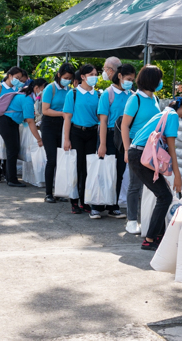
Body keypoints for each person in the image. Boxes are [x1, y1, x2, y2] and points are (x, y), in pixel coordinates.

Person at [132, 93, 182, 249]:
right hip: (140, 156)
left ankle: (156, 235)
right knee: (164, 196)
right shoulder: (172, 117)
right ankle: (149, 240)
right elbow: (172, 149)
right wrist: (178, 176)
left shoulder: (165, 112)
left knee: (163, 195)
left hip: (138, 154)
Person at [121, 65, 163, 233]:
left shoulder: (155, 99)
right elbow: (125, 125)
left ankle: (148, 218)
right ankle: (131, 220)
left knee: (153, 185)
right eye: (158, 78)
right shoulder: (135, 99)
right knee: (135, 184)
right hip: (136, 147)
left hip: (153, 148)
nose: (161, 82)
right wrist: (126, 150)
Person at [97, 63, 136, 216]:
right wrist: (102, 144)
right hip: (109, 135)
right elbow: (103, 121)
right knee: (105, 171)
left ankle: (113, 206)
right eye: (128, 78)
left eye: (132, 79)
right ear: (119, 76)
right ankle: (97, 205)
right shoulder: (108, 94)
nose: (130, 82)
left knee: (119, 172)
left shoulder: (131, 95)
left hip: (123, 138)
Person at [63, 64, 100, 216]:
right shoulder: (73, 94)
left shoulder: (98, 95)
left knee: (88, 168)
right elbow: (67, 117)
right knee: (76, 168)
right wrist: (66, 139)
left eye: (96, 74)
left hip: (92, 134)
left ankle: (85, 201)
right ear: (83, 77)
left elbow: (100, 118)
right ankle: (74, 201)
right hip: (76, 132)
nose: (94, 77)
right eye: (91, 74)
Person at [0, 79, 44, 187]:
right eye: (42, 89)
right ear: (36, 88)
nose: (43, 92)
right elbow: (30, 121)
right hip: (6, 122)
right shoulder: (27, 99)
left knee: (13, 149)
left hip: (9, 123)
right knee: (12, 150)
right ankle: (12, 179)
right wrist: (39, 139)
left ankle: (10, 177)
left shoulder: (25, 95)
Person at [41, 62, 75, 203]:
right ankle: (49, 193)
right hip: (49, 125)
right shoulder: (50, 88)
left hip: (63, 126)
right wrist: (62, 114)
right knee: (52, 159)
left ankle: (60, 191)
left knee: (62, 160)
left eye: (70, 78)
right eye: (65, 77)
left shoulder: (70, 90)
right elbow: (45, 110)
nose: (67, 80)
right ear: (59, 75)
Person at [0, 66, 23, 183]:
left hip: (13, 122)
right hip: (1, 121)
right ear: (10, 76)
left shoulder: (16, 89)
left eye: (20, 78)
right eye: (16, 77)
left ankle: (7, 174)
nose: (18, 80)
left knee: (9, 148)